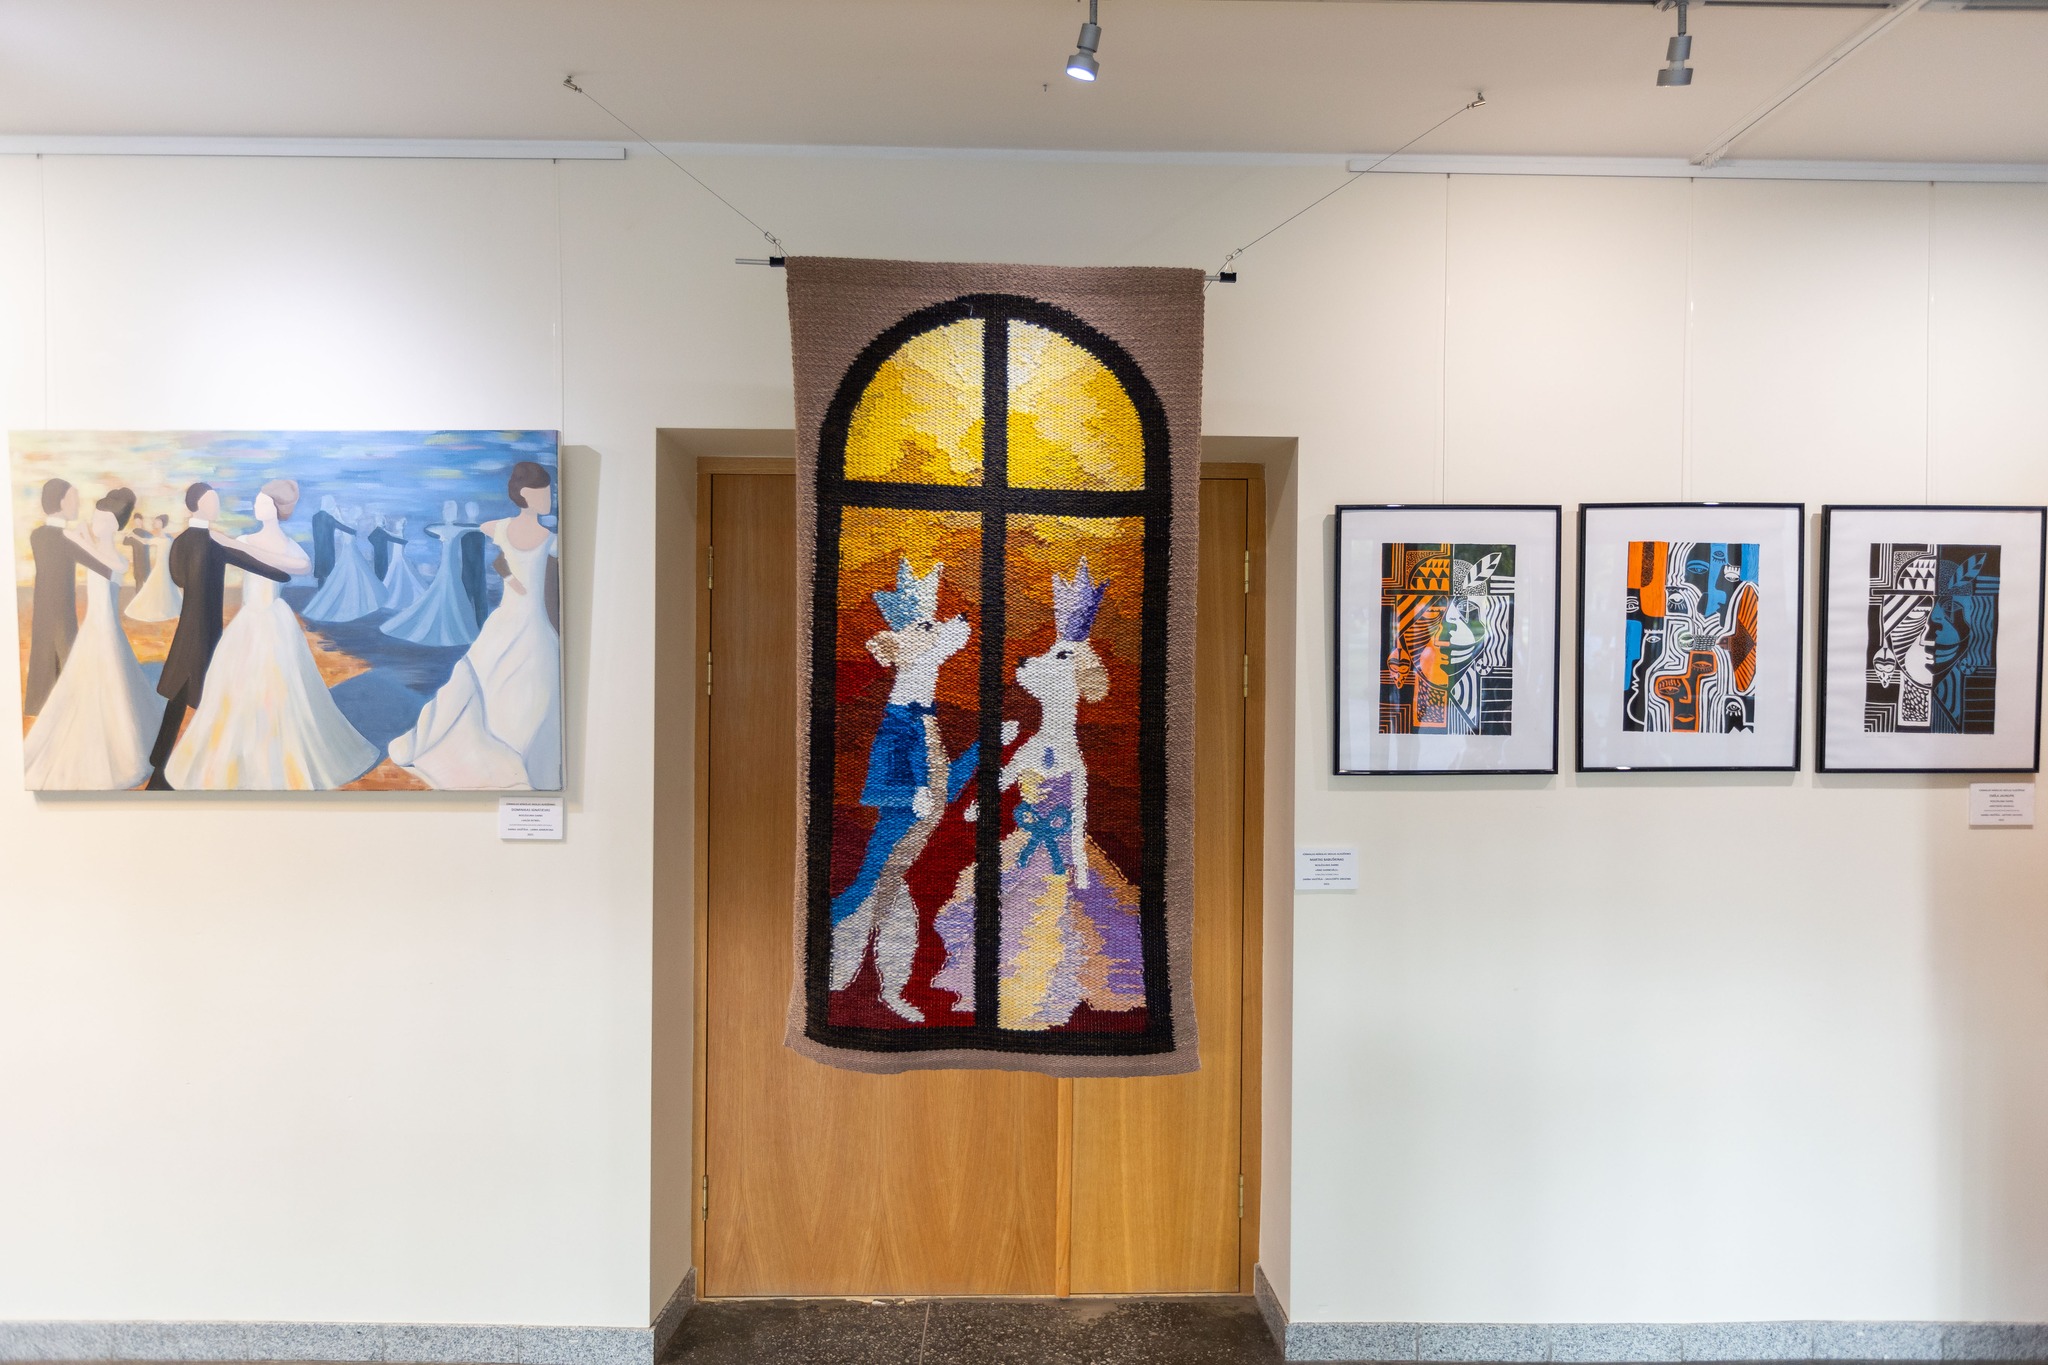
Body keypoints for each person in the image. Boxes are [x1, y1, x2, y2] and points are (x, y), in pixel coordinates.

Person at [163, 480, 378, 791]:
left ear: (276, 508)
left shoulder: (270, 543)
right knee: (237, 687)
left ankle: (278, 757)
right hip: (248, 621)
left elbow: (303, 567)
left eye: (262, 501)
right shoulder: (243, 538)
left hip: (274, 621)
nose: (256, 505)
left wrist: (245, 549)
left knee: (280, 687)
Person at [389, 463, 560, 790]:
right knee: (483, 676)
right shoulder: (500, 527)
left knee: (533, 689)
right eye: (543, 493)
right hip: (507, 619)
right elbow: (495, 551)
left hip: (534, 622)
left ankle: (522, 750)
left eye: (549, 492)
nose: (549, 499)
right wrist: (509, 577)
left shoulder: (550, 540)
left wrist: (511, 575)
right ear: (525, 495)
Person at [144, 482, 297, 790]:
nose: (216, 505)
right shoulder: (213, 541)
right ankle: (193, 765)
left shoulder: (181, 541)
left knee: (179, 695)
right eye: (212, 500)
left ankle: (160, 761)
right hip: (208, 630)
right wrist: (282, 574)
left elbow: (177, 576)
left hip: (188, 626)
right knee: (212, 694)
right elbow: (251, 563)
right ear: (199, 505)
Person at [24, 488, 164, 790]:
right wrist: (80, 538)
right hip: (93, 628)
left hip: (105, 629)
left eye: (100, 519)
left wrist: (80, 539)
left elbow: (113, 567)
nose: (93, 522)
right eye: (95, 517)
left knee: (112, 687)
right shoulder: (95, 549)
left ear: (113, 525)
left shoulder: (113, 557)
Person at [25, 477, 116, 716]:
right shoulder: (66, 538)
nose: (78, 503)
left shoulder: (37, 535)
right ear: (62, 501)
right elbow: (105, 568)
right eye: (74, 498)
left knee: (43, 655)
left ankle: (37, 705)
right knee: (69, 657)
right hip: (62, 610)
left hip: (42, 608)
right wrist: (87, 539)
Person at [380, 501, 479, 647]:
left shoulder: (457, 528)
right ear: (444, 513)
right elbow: (428, 529)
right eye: (447, 510)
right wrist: (439, 536)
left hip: (452, 565)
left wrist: (472, 520)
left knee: (453, 586)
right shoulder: (443, 528)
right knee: (447, 585)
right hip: (446, 565)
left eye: (452, 511)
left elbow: (476, 528)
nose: (449, 513)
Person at [299, 499, 382, 622]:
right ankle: (326, 601)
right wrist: (354, 530)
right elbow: (345, 528)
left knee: (322, 576)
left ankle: (321, 598)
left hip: (319, 550)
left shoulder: (315, 517)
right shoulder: (329, 518)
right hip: (328, 551)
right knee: (329, 575)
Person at [124, 516, 182, 623]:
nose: (154, 524)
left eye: (157, 522)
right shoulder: (160, 538)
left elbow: (146, 542)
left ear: (162, 523)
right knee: (159, 587)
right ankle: (163, 609)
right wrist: (133, 535)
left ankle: (167, 609)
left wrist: (133, 535)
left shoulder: (167, 538)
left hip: (166, 567)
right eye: (155, 522)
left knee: (167, 588)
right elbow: (145, 541)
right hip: (161, 567)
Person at [379, 516, 424, 612]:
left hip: (398, 555)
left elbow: (392, 536)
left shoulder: (399, 533)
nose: (398, 525)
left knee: (397, 569)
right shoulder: (398, 532)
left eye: (400, 524)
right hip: (397, 555)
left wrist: (384, 529)